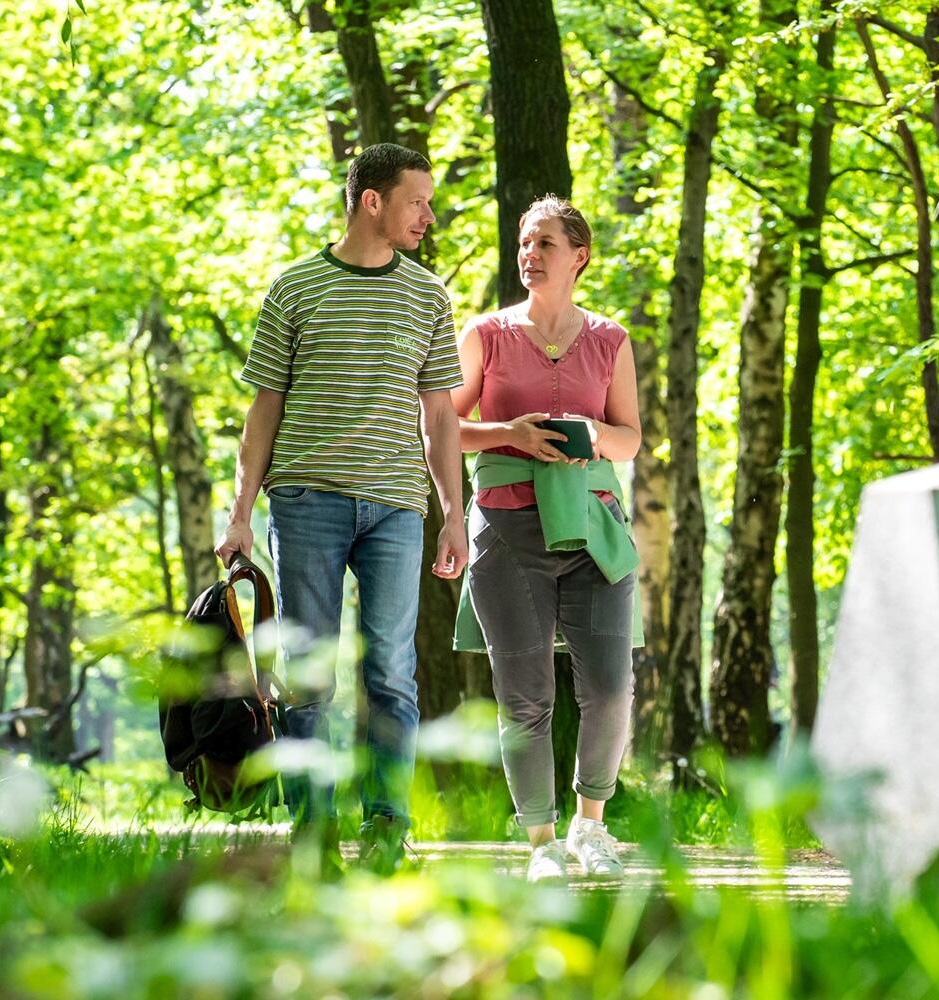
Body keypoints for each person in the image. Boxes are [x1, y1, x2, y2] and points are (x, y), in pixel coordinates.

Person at [216, 142, 466, 870]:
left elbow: (440, 418)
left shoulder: (428, 295)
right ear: (373, 202)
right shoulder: (295, 288)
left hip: (395, 508)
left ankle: (389, 832)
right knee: (307, 672)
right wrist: (239, 514)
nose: (428, 214)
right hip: (305, 503)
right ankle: (314, 840)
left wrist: (452, 514)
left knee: (391, 672)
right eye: (417, 201)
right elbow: (263, 411)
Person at [451, 196, 641, 883]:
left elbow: (630, 436)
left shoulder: (610, 340)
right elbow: (444, 427)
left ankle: (592, 827)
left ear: (579, 256)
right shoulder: (487, 334)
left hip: (594, 528)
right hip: (507, 527)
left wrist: (589, 440)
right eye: (524, 243)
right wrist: (512, 434)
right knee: (524, 695)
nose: (528, 254)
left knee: (611, 687)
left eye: (544, 244)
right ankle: (541, 843)